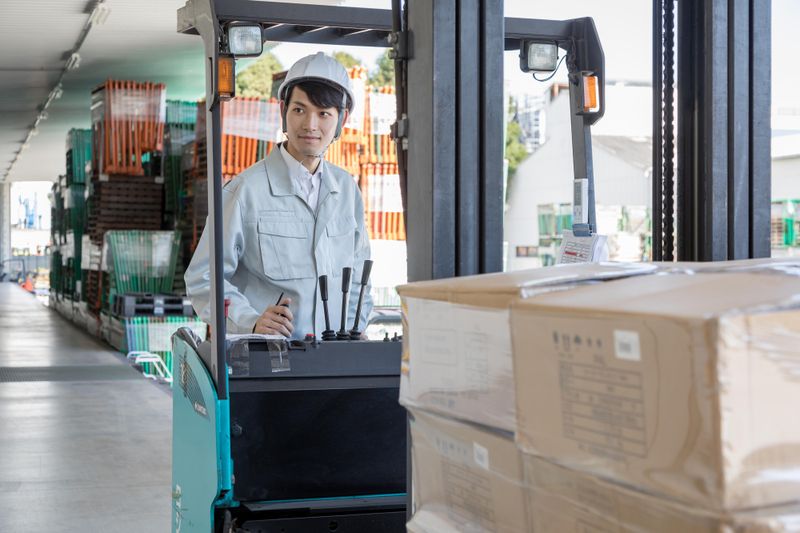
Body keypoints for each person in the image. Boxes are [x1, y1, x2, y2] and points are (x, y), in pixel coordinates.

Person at [185, 52, 373, 339]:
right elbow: (203, 279)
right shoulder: (245, 191)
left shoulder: (347, 190)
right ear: (283, 110)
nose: (310, 125)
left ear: (342, 119)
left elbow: (360, 278)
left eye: (324, 113)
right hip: (268, 357)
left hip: (334, 356)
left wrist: (354, 332)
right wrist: (250, 321)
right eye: (299, 110)